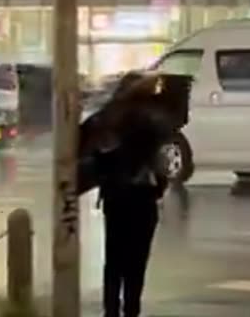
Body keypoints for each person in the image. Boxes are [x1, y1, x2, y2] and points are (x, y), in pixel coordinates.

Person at [98, 72, 170, 317]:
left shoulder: (111, 119)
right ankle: (131, 310)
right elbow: (161, 164)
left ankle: (111, 311)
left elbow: (99, 157)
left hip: (116, 197)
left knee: (114, 261)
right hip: (142, 198)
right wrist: (160, 188)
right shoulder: (154, 121)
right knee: (136, 264)